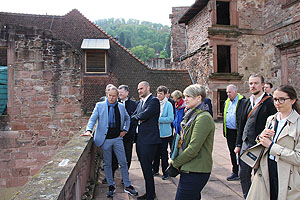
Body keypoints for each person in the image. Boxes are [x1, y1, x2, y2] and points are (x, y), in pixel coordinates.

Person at [82, 85, 138, 198]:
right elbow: (92, 119)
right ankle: (111, 186)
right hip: (105, 139)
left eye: (114, 96)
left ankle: (127, 185)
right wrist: (88, 130)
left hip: (117, 139)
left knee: (123, 162)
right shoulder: (99, 106)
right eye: (109, 95)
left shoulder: (121, 107)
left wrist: (125, 130)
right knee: (107, 163)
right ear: (107, 95)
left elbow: (128, 118)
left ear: (117, 96)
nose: (111, 98)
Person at [247, 85, 300, 200]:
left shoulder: (298, 124)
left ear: (293, 100)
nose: (277, 103)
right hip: (266, 170)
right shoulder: (271, 119)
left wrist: (272, 146)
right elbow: (263, 144)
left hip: (288, 176)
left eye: (282, 99)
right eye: (275, 99)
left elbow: (298, 158)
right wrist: (261, 137)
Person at [234, 74, 277, 199]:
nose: (253, 86)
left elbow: (274, 124)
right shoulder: (246, 102)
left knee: (260, 175)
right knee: (243, 174)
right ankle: (247, 196)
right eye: (251, 83)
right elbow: (241, 125)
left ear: (263, 85)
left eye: (256, 83)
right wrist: (238, 144)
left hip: (261, 145)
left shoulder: (270, 102)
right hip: (246, 143)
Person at [170, 84, 215, 200]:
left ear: (199, 98)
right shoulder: (192, 115)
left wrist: (175, 163)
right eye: (185, 96)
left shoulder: (203, 117)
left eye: (188, 96)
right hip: (191, 168)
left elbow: (193, 149)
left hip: (196, 170)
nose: (185, 99)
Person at [131, 81, 161, 200]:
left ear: (148, 88)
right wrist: (138, 117)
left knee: (148, 168)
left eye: (141, 88)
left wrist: (138, 117)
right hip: (140, 140)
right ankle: (150, 193)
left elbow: (144, 115)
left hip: (149, 141)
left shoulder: (154, 101)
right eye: (138, 89)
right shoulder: (140, 103)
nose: (139, 91)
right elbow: (135, 115)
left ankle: (150, 195)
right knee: (144, 168)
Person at [223, 84, 246, 181]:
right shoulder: (226, 102)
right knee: (232, 152)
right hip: (229, 131)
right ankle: (235, 171)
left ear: (236, 91)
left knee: (241, 152)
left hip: (239, 131)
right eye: (227, 92)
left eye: (230, 92)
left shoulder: (243, 102)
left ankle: (244, 173)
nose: (228, 94)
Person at [152, 86, 174, 180]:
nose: (159, 95)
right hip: (156, 133)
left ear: (165, 94)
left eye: (161, 93)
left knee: (163, 153)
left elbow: (170, 118)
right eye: (158, 93)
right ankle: (155, 170)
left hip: (165, 133)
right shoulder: (155, 103)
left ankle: (165, 172)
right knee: (155, 153)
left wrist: (158, 119)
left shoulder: (168, 104)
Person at [118, 85, 137, 170]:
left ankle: (126, 172)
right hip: (117, 135)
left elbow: (134, 119)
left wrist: (129, 132)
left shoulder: (133, 104)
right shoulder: (116, 103)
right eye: (119, 93)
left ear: (127, 92)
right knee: (115, 156)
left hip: (129, 135)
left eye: (121, 92)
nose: (120, 94)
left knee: (127, 154)